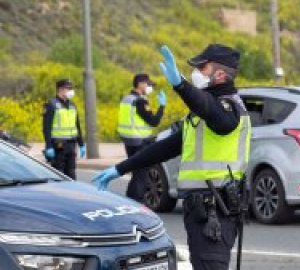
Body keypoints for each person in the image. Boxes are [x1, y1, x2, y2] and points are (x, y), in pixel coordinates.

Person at [94, 43, 251, 270]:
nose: (196, 73)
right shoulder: (202, 114)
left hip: (215, 209)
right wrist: (121, 168)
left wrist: (181, 86)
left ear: (219, 74)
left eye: (202, 68)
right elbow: (166, 147)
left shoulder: (229, 108)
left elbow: (216, 114)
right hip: (202, 209)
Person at [117, 73, 167, 202]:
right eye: (148, 84)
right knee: (141, 175)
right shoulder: (140, 101)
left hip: (129, 141)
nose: (150, 87)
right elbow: (154, 121)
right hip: (140, 142)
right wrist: (162, 106)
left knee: (136, 173)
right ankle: (136, 202)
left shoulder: (126, 99)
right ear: (140, 84)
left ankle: (130, 200)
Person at [42, 79, 85, 179]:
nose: (71, 91)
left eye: (71, 88)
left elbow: (77, 126)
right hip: (58, 145)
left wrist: (81, 144)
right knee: (59, 174)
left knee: (71, 173)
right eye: (68, 88)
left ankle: (72, 194)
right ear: (60, 90)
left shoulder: (72, 105)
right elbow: (46, 127)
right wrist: (48, 146)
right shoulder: (51, 105)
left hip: (71, 145)